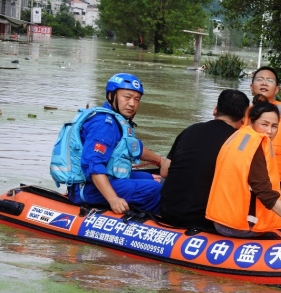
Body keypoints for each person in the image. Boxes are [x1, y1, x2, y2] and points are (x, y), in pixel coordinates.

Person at [54, 73, 166, 214]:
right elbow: (93, 164)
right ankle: (159, 222)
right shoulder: (104, 124)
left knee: (155, 179)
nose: (132, 103)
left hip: (106, 179)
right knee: (155, 189)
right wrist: (113, 199)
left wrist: (160, 160)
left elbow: (134, 147)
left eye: (137, 99)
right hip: (87, 187)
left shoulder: (117, 121)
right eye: (127, 97)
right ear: (111, 96)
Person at [206, 95, 281, 238]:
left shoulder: (237, 137)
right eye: (265, 124)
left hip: (221, 221)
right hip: (242, 226)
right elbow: (265, 193)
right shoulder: (256, 144)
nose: (270, 131)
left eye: (274, 126)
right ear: (251, 122)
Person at [159, 89, 250, 230]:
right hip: (203, 220)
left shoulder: (190, 130)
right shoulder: (239, 142)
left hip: (167, 212)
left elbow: (164, 172)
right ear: (244, 118)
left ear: (215, 110)